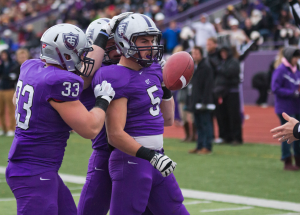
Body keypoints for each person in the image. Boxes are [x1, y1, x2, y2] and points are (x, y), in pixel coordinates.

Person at [5, 13, 131, 215]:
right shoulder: (59, 81)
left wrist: (49, 118)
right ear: (64, 55)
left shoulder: (30, 67)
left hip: (35, 167)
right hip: (34, 171)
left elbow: (17, 100)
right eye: (81, 53)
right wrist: (102, 100)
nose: (83, 57)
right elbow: (90, 128)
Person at [92, 13, 188, 214]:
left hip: (157, 158)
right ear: (125, 42)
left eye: (153, 40)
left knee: (176, 209)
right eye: (144, 40)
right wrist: (150, 156)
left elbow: (168, 119)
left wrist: (166, 85)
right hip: (132, 161)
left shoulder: (153, 68)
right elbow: (115, 135)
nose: (151, 45)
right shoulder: (115, 75)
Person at [78, 17, 153, 215]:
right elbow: (84, 76)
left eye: (119, 43)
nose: (117, 50)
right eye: (110, 45)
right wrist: (102, 37)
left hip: (135, 152)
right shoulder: (92, 74)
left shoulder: (130, 70)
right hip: (105, 153)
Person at [271, 46, 300, 171]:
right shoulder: (280, 70)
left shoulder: (296, 70)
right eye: (294, 57)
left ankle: (298, 160)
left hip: (297, 106)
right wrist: (292, 93)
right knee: (288, 135)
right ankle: (287, 160)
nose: (296, 59)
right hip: (285, 108)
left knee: (298, 134)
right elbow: (275, 88)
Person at [188, 46, 214, 154]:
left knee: (206, 124)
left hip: (203, 102)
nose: (194, 55)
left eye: (196, 53)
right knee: (198, 125)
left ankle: (207, 147)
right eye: (193, 53)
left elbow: (208, 86)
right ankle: (199, 146)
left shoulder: (206, 67)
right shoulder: (196, 66)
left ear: (201, 54)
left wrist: (204, 101)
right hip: (196, 101)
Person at [214, 46, 243, 145]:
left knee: (233, 116)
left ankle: (236, 137)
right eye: (221, 52)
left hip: (232, 92)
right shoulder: (222, 62)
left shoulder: (234, 62)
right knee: (223, 115)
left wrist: (220, 69)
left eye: (224, 52)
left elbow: (230, 72)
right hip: (222, 92)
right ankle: (226, 137)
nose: (223, 54)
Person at [0, 50, 17, 136]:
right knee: (1, 110)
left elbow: (13, 77)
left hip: (9, 89)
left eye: (4, 54)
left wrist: (5, 77)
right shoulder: (2, 65)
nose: (3, 56)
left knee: (11, 110)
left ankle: (11, 128)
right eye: (2, 55)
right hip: (1, 89)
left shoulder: (12, 64)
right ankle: (4, 128)